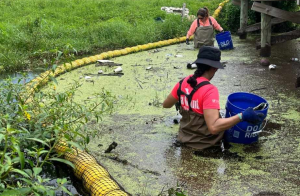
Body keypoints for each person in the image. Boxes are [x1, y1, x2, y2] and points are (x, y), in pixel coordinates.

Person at [163, 46, 265, 150]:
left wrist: (181, 100)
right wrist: (242, 116)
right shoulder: (209, 90)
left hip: (184, 141)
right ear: (215, 68)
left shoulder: (183, 82)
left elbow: (166, 105)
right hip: (205, 147)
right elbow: (214, 127)